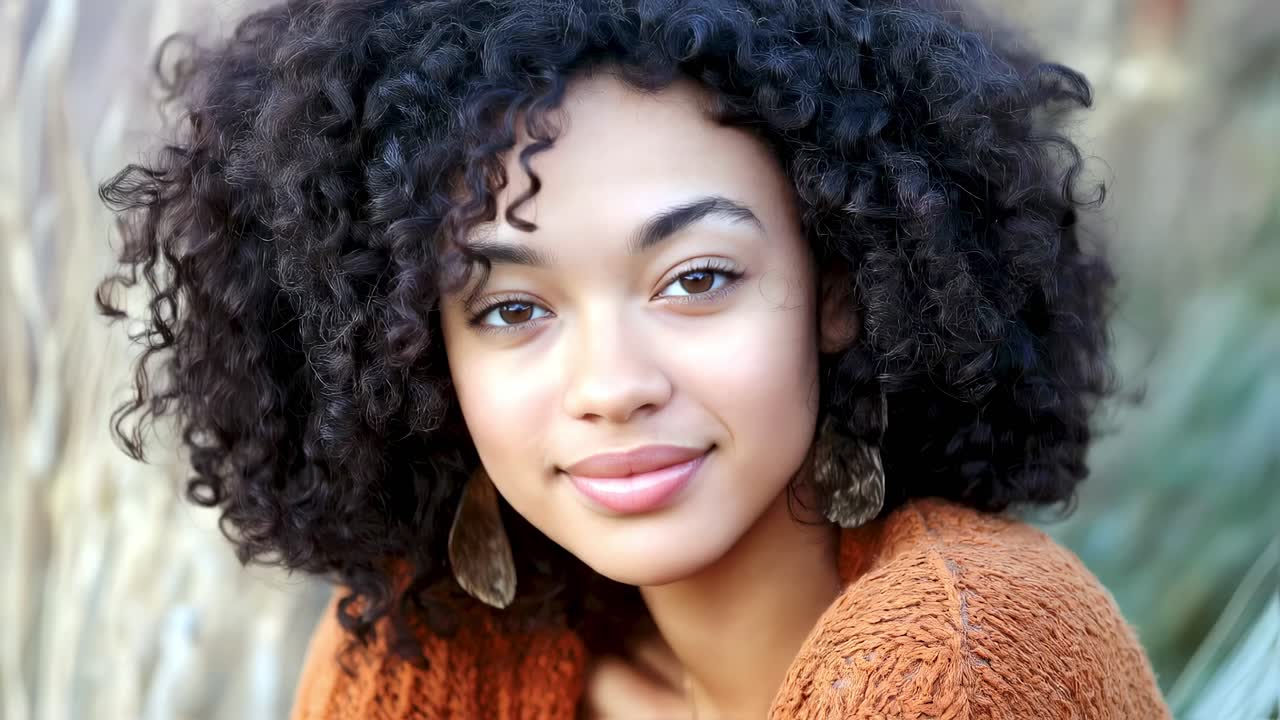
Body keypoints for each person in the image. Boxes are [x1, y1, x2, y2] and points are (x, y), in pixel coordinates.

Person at [97, 0, 1174, 717]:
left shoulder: (969, 657)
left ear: (841, 288)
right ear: (419, 356)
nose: (612, 387)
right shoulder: (428, 658)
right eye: (512, 308)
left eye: (695, 280)